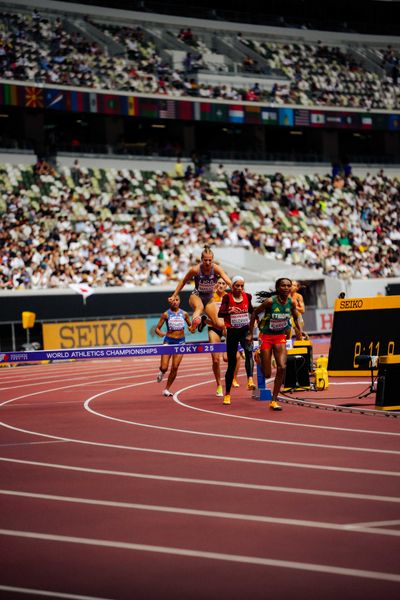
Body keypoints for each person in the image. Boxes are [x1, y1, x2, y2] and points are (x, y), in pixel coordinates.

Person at [248, 278, 304, 411]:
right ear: (278, 288)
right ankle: (260, 356)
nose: (286, 288)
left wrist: (300, 332)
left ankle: (273, 400)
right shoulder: (270, 301)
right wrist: (250, 334)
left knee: (282, 367)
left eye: (288, 286)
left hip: (280, 337)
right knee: (267, 374)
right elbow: (255, 313)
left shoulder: (291, 302)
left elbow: (296, 317)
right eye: (283, 286)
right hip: (266, 337)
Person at [168, 245, 231, 333]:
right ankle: (193, 326)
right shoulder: (195, 269)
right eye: (205, 260)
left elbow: (227, 279)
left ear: (212, 259)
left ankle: (203, 320)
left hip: (209, 298)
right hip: (196, 295)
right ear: (201, 259)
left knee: (220, 325)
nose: (208, 262)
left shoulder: (216, 268)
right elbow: (183, 281)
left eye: (210, 260)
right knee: (200, 307)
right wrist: (174, 295)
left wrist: (234, 288)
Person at [218, 275, 255, 405]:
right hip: (232, 332)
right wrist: (229, 311)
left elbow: (252, 311)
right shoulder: (227, 298)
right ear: (232, 286)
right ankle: (227, 394)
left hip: (244, 330)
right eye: (237, 286)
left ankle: (250, 379)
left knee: (249, 351)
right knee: (231, 364)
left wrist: (256, 323)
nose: (239, 288)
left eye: (241, 286)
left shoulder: (248, 296)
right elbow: (220, 313)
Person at [204, 277, 242, 397]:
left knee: (232, 357)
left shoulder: (229, 297)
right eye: (219, 283)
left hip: (227, 328)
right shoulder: (209, 297)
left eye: (223, 283)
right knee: (216, 359)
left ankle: (234, 378)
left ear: (227, 286)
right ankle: (219, 385)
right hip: (213, 328)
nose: (220, 285)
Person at [154, 295, 191, 397]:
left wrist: (194, 327)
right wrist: (160, 333)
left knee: (175, 367)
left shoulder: (185, 314)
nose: (175, 302)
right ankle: (161, 371)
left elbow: (191, 327)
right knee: (165, 367)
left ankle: (166, 389)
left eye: (177, 300)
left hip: (180, 342)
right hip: (168, 342)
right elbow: (157, 328)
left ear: (180, 301)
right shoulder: (166, 314)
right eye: (173, 300)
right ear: (170, 302)